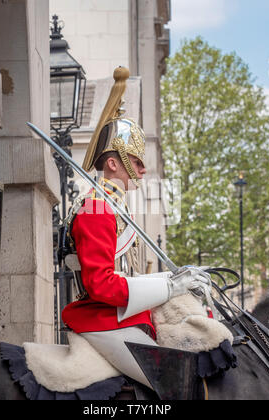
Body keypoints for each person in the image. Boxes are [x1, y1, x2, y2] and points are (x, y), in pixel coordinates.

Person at [62, 67, 211, 390]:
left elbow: (125, 278)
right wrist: (171, 288)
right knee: (174, 382)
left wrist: (175, 280)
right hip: (101, 320)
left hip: (118, 315)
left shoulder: (110, 205)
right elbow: (101, 284)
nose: (143, 171)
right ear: (114, 163)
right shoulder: (97, 208)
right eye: (137, 161)